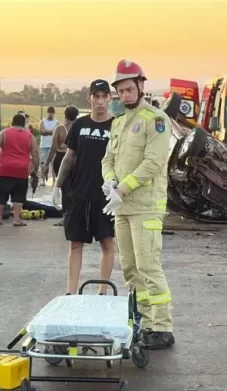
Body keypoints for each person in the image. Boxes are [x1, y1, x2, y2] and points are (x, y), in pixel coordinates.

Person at [101, 59, 174, 350]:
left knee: (148, 267)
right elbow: (108, 159)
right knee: (130, 269)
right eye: (120, 91)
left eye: (129, 89)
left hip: (145, 206)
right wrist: (109, 181)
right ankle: (145, 323)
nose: (125, 95)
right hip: (122, 207)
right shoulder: (119, 122)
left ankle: (163, 327)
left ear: (141, 86)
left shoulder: (156, 120)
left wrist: (123, 188)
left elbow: (154, 162)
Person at [54, 80, 116, 295]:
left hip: (105, 195)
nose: (100, 101)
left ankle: (102, 291)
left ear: (110, 98)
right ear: (89, 98)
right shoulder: (80, 125)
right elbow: (69, 157)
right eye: (96, 96)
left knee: (107, 243)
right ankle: (71, 292)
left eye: (104, 96)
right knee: (75, 244)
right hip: (79, 193)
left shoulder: (117, 126)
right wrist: (57, 185)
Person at [0, 113, 40, 226]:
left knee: (1, 194)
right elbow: (35, 154)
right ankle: (16, 219)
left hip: (4, 169)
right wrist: (36, 168)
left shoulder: (4, 132)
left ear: (12, 123)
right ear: (24, 124)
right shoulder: (30, 136)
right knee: (19, 195)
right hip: (22, 171)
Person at [38, 107, 58, 185]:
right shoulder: (42, 121)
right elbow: (42, 132)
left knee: (53, 164)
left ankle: (54, 181)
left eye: (52, 113)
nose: (51, 114)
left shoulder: (56, 122)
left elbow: (56, 132)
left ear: (54, 113)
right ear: (47, 113)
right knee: (43, 164)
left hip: (53, 146)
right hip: (44, 146)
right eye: (49, 112)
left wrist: (47, 131)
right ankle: (43, 181)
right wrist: (52, 131)